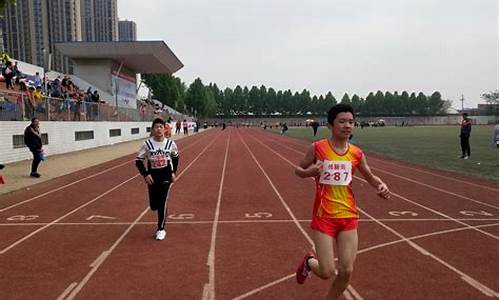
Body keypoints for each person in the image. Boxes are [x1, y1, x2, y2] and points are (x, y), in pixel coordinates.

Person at [294, 104, 390, 300]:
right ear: (330, 125)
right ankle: (309, 262)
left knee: (346, 270)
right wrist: (309, 172)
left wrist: (381, 186)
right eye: (342, 121)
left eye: (351, 122)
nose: (347, 126)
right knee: (327, 271)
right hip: (324, 217)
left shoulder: (356, 153)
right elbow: (298, 169)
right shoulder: (317, 148)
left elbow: (370, 177)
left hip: (348, 216)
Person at [135, 118, 179, 241]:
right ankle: (158, 209)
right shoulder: (147, 144)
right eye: (156, 127)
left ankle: (161, 228)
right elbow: (138, 161)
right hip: (152, 177)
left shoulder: (170, 144)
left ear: (165, 129)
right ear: (153, 130)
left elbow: (175, 157)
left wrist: (173, 172)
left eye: (161, 127)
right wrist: (145, 174)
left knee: (162, 202)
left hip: (165, 176)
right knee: (154, 205)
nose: (159, 129)